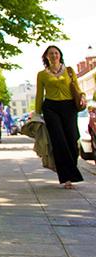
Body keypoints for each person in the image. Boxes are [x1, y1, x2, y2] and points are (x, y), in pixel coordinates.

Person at [35, 45, 87, 189]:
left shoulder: (69, 71)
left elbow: (77, 87)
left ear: (60, 55)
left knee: (72, 138)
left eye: (56, 53)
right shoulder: (42, 74)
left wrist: (82, 97)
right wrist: (37, 114)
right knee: (59, 141)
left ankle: (72, 169)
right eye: (50, 53)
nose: (54, 55)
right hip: (51, 108)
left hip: (69, 107)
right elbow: (39, 95)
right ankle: (67, 178)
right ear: (46, 57)